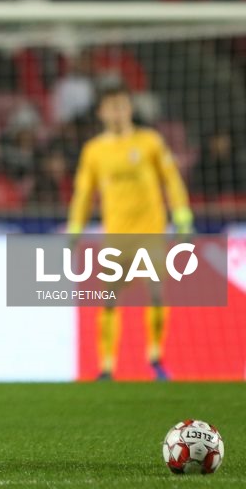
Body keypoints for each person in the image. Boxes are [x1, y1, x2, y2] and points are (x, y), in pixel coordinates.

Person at [66, 84, 194, 381]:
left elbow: (171, 180)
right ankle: (107, 366)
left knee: (156, 292)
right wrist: (74, 229)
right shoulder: (94, 150)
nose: (118, 112)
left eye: (122, 105)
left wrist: (183, 217)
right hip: (117, 236)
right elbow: (84, 194)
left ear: (130, 108)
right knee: (109, 296)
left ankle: (155, 359)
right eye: (111, 106)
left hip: (151, 232)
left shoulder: (150, 141)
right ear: (101, 112)